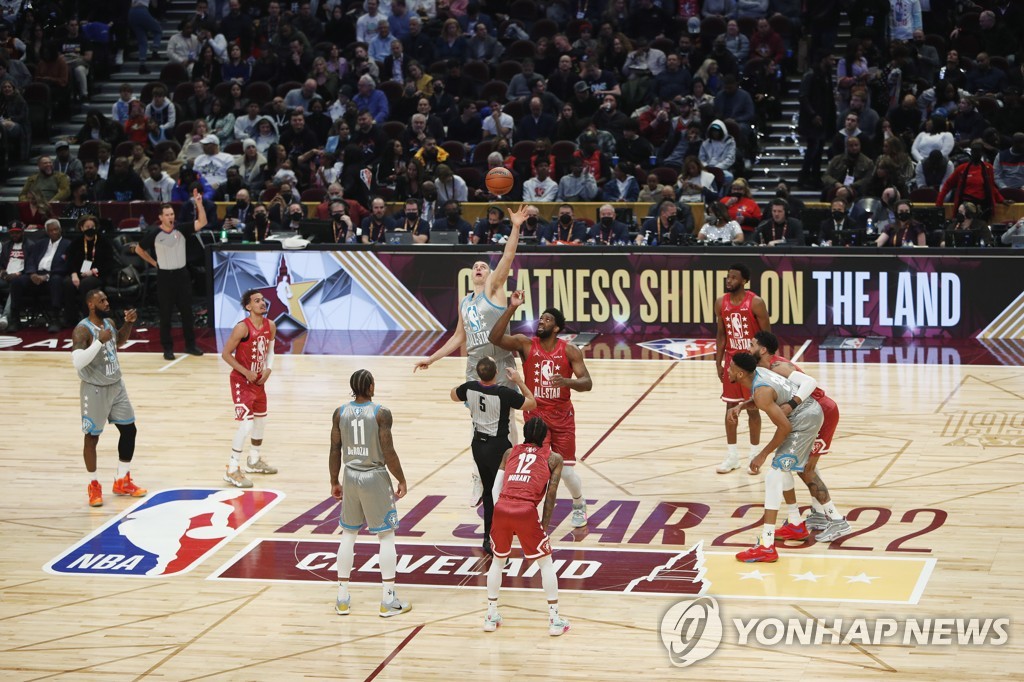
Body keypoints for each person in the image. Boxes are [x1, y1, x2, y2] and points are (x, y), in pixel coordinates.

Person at [414, 205, 529, 505]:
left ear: (490, 275)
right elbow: (458, 337)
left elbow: (507, 258)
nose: (479, 267)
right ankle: (480, 475)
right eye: (475, 266)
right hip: (475, 366)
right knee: (478, 422)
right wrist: (432, 358)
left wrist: (515, 226)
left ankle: (510, 472)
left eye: (483, 266)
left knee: (508, 419)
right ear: (470, 274)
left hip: (500, 361)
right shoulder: (465, 301)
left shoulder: (493, 290)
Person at [488, 291, 594, 527]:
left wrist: (567, 382)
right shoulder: (526, 344)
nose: (541, 322)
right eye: (541, 318)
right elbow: (495, 338)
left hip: (563, 416)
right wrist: (512, 307)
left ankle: (579, 502)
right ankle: (531, 510)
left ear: (556, 328)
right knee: (538, 467)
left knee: (566, 472)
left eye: (547, 319)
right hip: (536, 417)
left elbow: (587, 383)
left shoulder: (569, 351)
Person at [738, 331, 851, 542]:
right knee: (800, 466)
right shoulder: (762, 369)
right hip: (809, 414)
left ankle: (838, 521)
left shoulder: (778, 366)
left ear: (762, 350)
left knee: (806, 469)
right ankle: (818, 514)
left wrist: (792, 404)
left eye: (752, 344)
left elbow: (810, 382)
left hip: (821, 413)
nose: (748, 347)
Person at [727, 352, 824, 563]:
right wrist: (743, 405)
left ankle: (767, 546)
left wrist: (762, 455)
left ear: (740, 373)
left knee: (773, 475)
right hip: (806, 415)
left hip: (803, 422)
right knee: (783, 469)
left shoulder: (761, 391)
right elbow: (769, 396)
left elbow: (785, 427)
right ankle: (796, 525)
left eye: (731, 367)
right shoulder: (759, 373)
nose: (728, 370)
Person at [330, 369, 411, 618]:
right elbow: (389, 452)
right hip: (374, 476)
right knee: (386, 537)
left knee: (348, 534)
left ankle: (342, 598)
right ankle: (388, 600)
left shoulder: (340, 412)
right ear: (371, 386)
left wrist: (334, 480)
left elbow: (335, 448)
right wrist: (402, 479)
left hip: (350, 475)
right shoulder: (381, 413)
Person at [484, 416, 570, 637]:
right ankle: (555, 619)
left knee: (498, 561)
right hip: (525, 510)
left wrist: (498, 513)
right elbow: (550, 496)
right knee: (545, 562)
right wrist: (544, 525)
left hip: (502, 507)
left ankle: (491, 616)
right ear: (545, 437)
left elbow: (495, 487)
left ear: (525, 434)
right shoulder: (553, 458)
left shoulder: (509, 452)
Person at [452, 359, 536, 555]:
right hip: (498, 447)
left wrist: (471, 382)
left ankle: (487, 538)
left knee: (489, 492)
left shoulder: (470, 388)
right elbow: (532, 403)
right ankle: (502, 535)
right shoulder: (504, 393)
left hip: (478, 447)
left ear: (478, 374)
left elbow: (452, 394)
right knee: (502, 492)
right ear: (496, 373)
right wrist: (520, 381)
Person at [71, 290, 144, 507]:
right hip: (94, 389)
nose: (106, 302)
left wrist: (128, 324)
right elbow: (77, 362)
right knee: (92, 438)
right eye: (101, 300)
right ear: (91, 305)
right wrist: (97, 343)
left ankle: (122, 480)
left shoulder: (110, 322)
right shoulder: (82, 330)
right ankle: (93, 485)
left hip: (116, 385)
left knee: (129, 430)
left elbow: (119, 341)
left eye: (106, 299)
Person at [133, 192, 208, 360]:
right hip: (165, 276)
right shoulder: (154, 233)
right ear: (161, 217)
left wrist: (199, 204)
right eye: (167, 215)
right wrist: (153, 263)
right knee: (166, 313)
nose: (170, 217)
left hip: (182, 275)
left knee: (187, 312)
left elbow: (203, 222)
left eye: (172, 214)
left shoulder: (181, 229)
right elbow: (138, 249)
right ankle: (167, 348)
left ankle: (190, 345)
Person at [715, 263, 770, 474]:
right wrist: (718, 362)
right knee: (730, 409)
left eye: (734, 278)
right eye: (728, 277)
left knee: (753, 409)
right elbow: (721, 335)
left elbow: (767, 338)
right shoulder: (721, 302)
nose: (729, 281)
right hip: (731, 361)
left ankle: (754, 455)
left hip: (752, 364)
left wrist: (767, 365)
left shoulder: (755, 303)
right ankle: (732, 456)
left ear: (744, 280)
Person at [220, 289, 278, 488]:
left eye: (262, 300)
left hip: (259, 381)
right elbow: (226, 354)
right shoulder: (241, 328)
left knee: (261, 421)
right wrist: (246, 372)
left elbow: (271, 352)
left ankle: (253, 460)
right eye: (257, 301)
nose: (262, 303)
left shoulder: (270, 325)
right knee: (246, 424)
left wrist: (268, 369)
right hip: (241, 382)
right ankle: (232, 469)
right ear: (248, 306)